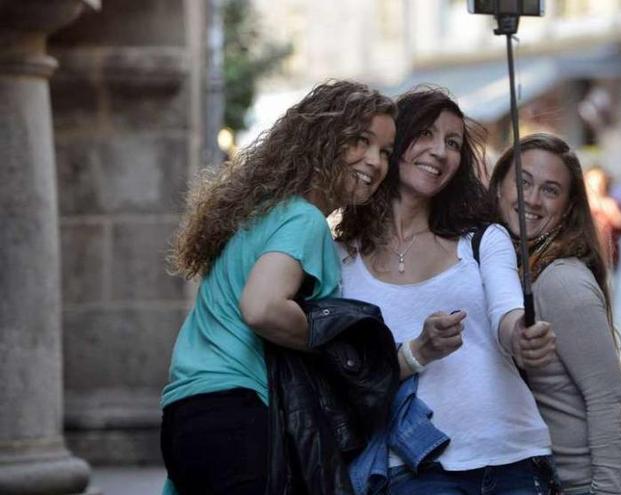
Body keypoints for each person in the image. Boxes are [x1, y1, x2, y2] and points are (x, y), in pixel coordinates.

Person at [159, 80, 396, 494]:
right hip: (240, 411)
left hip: (188, 410)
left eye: (386, 151)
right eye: (362, 141)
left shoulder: (262, 213)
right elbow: (263, 308)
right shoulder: (304, 219)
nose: (375, 161)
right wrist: (331, 344)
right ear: (324, 139)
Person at [336, 87, 558, 494]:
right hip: (414, 467)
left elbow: (507, 312)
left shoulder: (482, 239)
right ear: (393, 144)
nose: (440, 151)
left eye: (453, 143)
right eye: (425, 134)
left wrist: (521, 336)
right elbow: (346, 371)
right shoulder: (342, 258)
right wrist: (419, 348)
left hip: (513, 455)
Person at [489, 133, 621, 495]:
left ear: (566, 207)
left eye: (550, 190)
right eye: (523, 182)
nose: (532, 199)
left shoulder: (560, 281)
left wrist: (607, 490)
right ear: (499, 186)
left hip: (603, 483)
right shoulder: (513, 267)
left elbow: (606, 398)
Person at [585, 165, 621, 269]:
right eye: (592, 181)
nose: (595, 186)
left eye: (599, 182)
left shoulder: (610, 203)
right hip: (587, 258)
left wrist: (611, 211)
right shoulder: (580, 205)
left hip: (609, 258)